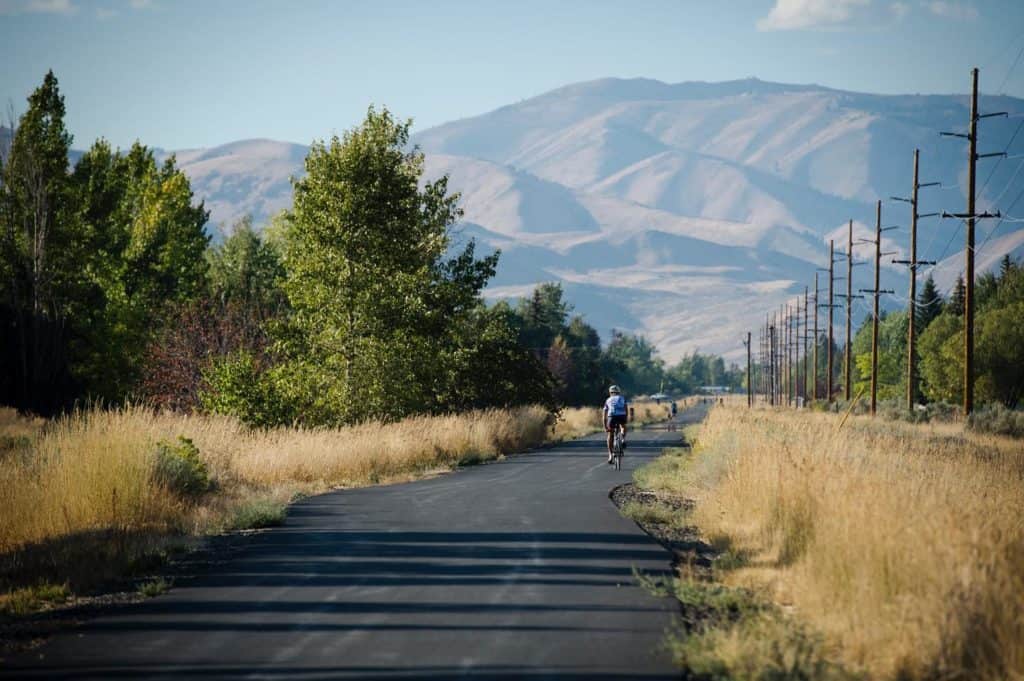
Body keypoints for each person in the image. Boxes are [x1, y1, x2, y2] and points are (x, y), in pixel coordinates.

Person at [603, 385, 628, 464]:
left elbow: (604, 415)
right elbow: (626, 409)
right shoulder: (622, 398)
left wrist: (605, 426)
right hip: (621, 416)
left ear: (610, 393)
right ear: (619, 392)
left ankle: (610, 455)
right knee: (623, 427)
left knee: (610, 434)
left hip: (611, 417)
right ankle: (623, 439)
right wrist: (625, 419)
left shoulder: (608, 400)